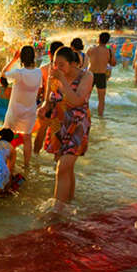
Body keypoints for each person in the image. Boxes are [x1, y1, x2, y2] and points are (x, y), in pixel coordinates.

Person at [42, 46, 94, 205]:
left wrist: (62, 80)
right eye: (54, 63)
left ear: (72, 64)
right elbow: (48, 100)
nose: (57, 67)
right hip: (59, 124)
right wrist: (43, 108)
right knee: (67, 167)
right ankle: (69, 203)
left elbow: (77, 100)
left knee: (62, 167)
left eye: (61, 64)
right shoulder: (54, 75)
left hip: (77, 125)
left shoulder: (86, 76)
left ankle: (56, 210)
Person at [1, 45, 42, 168]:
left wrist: (13, 60)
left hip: (15, 111)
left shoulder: (19, 73)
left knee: (7, 136)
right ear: (33, 57)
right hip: (30, 110)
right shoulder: (38, 72)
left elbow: (3, 74)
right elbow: (39, 89)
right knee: (27, 138)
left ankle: (8, 164)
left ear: (21, 58)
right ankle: (26, 165)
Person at [88, 32, 116, 117]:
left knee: (85, 97)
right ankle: (100, 117)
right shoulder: (108, 51)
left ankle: (83, 114)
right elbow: (113, 64)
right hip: (101, 75)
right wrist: (112, 52)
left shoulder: (91, 49)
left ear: (99, 39)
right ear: (107, 41)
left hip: (90, 75)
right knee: (101, 100)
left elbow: (85, 59)